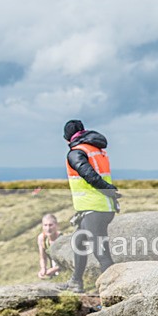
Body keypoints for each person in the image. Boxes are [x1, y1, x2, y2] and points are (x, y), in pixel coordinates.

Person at [62, 119, 120, 293]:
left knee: (101, 253)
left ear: (67, 138)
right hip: (97, 207)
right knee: (79, 241)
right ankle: (75, 281)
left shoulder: (76, 152)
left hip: (95, 208)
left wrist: (108, 189)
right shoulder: (96, 150)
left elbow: (89, 175)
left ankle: (112, 292)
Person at [37, 213, 62, 279]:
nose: (48, 228)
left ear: (56, 225)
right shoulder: (42, 238)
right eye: (45, 225)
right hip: (54, 272)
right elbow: (43, 257)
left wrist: (55, 269)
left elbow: (69, 262)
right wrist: (43, 269)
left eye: (50, 225)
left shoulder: (62, 238)